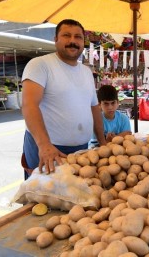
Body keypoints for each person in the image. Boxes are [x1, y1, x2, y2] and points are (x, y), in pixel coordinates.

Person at [21, 19, 106, 179]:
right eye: (66, 35)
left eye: (78, 37)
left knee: (73, 198)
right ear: (56, 39)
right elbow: (29, 105)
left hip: (81, 149)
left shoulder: (87, 72)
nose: (72, 41)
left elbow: (94, 108)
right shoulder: (40, 65)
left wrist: (103, 142)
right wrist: (44, 145)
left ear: (83, 42)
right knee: (45, 198)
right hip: (49, 149)